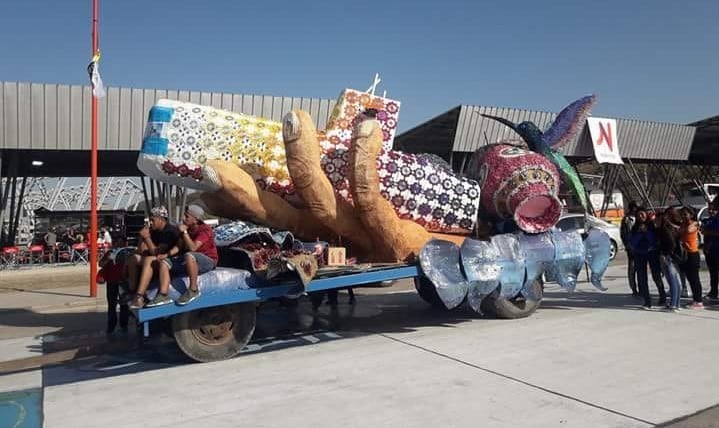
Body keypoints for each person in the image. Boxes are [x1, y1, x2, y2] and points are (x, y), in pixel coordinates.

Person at [135, 204, 218, 307]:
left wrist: (184, 232)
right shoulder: (186, 228)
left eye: (187, 216)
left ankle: (193, 289)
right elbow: (178, 247)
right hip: (190, 260)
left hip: (208, 260)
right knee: (165, 263)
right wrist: (167, 255)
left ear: (195, 220)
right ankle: (163, 294)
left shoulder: (205, 230)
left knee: (189, 255)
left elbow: (193, 248)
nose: (183, 218)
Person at [127, 206, 180, 308]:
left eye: (153, 220)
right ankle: (132, 291)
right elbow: (141, 251)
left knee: (148, 260)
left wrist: (147, 237)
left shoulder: (169, 231)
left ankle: (139, 296)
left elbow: (157, 252)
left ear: (161, 219)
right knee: (133, 258)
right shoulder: (154, 231)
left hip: (169, 261)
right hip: (157, 259)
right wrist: (142, 237)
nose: (151, 222)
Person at [629, 208, 664, 309]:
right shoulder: (635, 227)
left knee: (656, 275)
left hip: (652, 253)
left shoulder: (652, 225)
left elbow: (654, 240)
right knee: (641, 277)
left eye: (642, 214)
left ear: (646, 215)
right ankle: (647, 301)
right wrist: (640, 232)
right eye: (638, 215)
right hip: (639, 254)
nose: (640, 217)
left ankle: (662, 296)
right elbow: (632, 242)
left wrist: (646, 232)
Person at [99, 236, 131, 333]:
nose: (118, 244)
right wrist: (108, 259)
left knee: (124, 305)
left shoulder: (128, 253)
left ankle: (123, 324)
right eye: (117, 242)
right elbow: (100, 264)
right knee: (112, 304)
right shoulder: (110, 253)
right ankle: (112, 325)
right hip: (112, 282)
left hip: (123, 282)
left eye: (121, 242)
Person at [657, 208, 683, 312]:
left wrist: (665, 254)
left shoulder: (665, 229)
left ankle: (673, 305)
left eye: (657, 219)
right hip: (671, 257)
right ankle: (676, 304)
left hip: (669, 258)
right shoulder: (669, 228)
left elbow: (672, 244)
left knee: (673, 281)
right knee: (675, 281)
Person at [679, 206, 704, 309]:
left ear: (691, 214)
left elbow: (689, 230)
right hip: (685, 254)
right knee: (690, 278)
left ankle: (699, 301)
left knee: (694, 278)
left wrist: (694, 222)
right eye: (682, 214)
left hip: (693, 253)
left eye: (685, 214)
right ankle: (695, 299)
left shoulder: (694, 224)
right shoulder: (683, 224)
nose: (683, 216)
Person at [700, 200, 719, 301]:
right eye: (710, 209)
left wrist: (708, 231)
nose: (711, 211)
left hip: (717, 249)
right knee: (713, 272)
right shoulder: (708, 220)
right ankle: (713, 292)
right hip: (709, 250)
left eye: (714, 209)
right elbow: (702, 230)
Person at [621, 201, 639, 296]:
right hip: (631, 248)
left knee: (640, 269)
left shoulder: (640, 218)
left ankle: (642, 288)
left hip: (641, 248)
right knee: (632, 269)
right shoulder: (626, 220)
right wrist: (628, 245)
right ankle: (634, 289)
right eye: (634, 209)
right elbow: (623, 234)